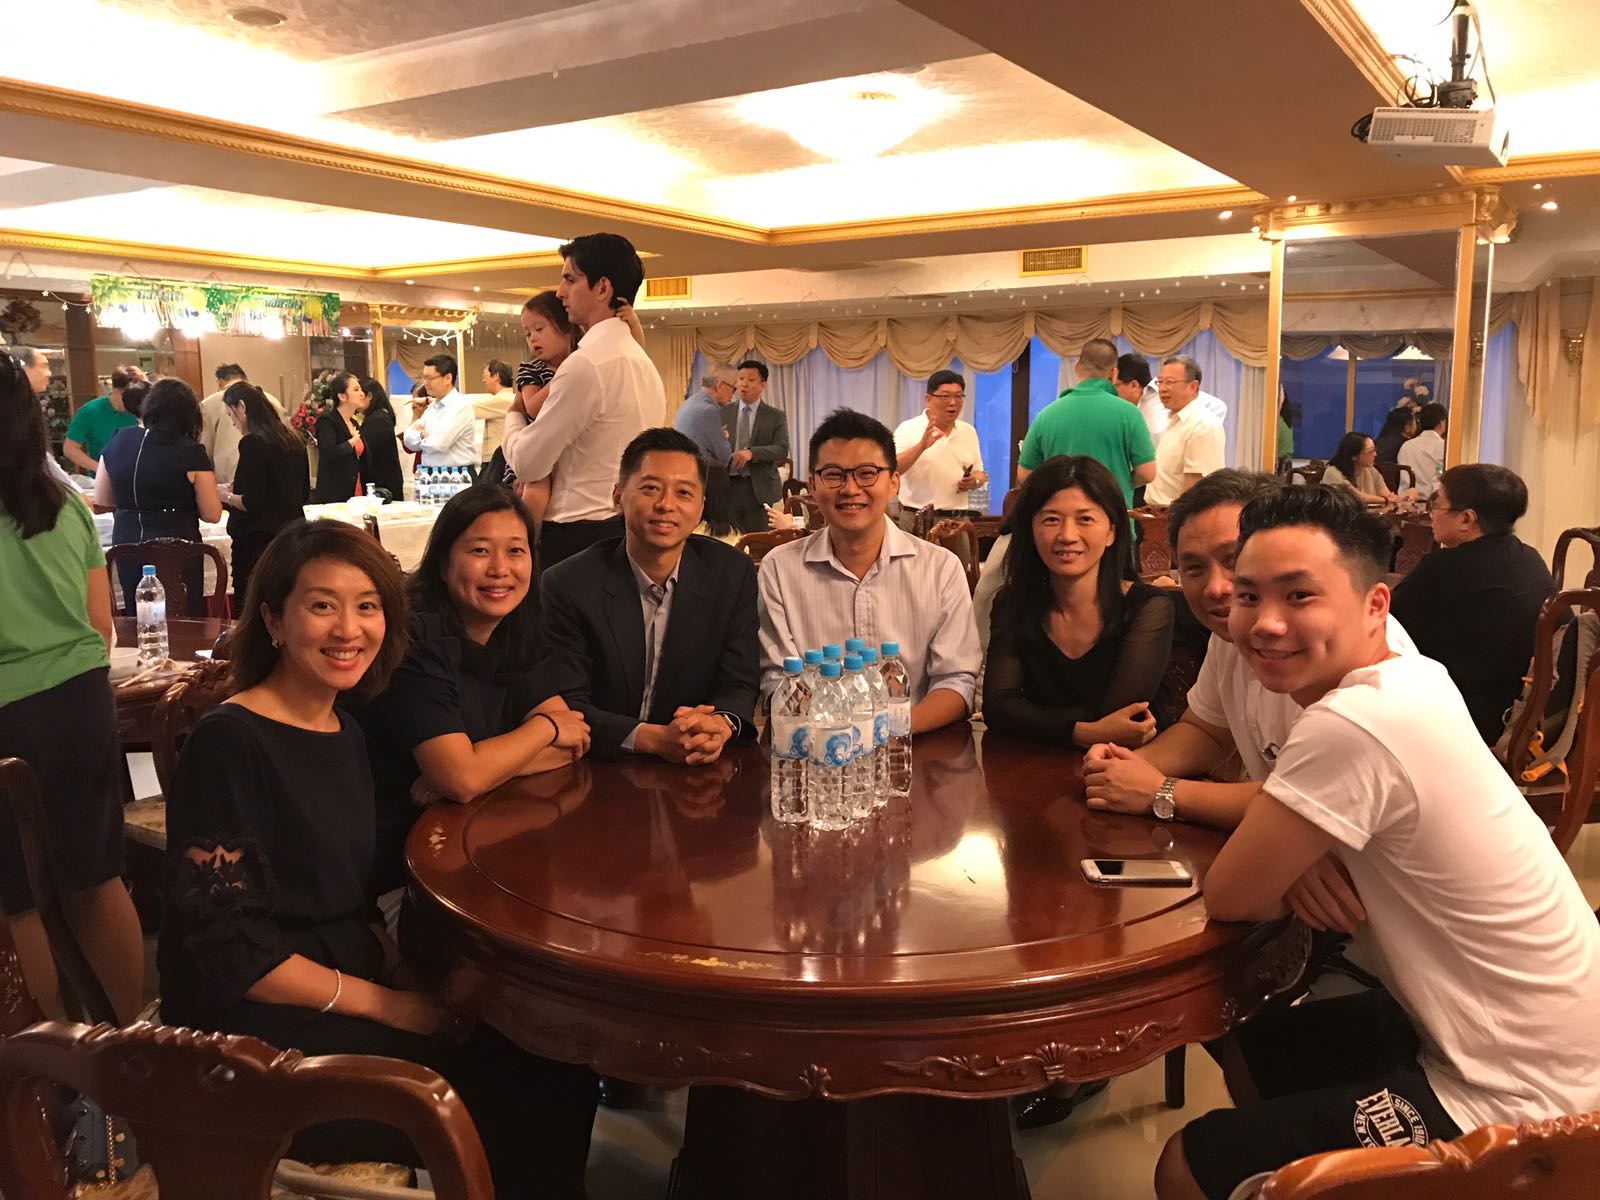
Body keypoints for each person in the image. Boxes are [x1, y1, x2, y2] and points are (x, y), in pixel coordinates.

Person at [1155, 485, 1600, 1200]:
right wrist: (1295, 845)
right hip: (1552, 1033)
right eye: (1249, 596)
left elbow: (1234, 895)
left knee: (1187, 1161)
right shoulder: (1413, 678)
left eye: (1300, 596)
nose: (1265, 623)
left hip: (1527, 1092)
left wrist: (1277, 844)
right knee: (1256, 1043)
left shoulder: (1352, 722)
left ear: (1374, 606)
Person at [156, 519, 598, 1199]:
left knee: (557, 1059)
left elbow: (349, 901)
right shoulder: (230, 742)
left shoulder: (343, 728)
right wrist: (393, 1007)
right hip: (251, 1039)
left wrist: (409, 979)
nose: (348, 629)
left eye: (367, 606)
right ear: (273, 620)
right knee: (507, 1105)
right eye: (321, 605)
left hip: (338, 982)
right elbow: (230, 951)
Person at [1083, 470, 1415, 830]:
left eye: (1234, 559)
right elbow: (1208, 730)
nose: (1216, 587)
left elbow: (1306, 804)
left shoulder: (1356, 658)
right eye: (1194, 567)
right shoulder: (1234, 632)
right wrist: (1122, 768)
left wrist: (1160, 791)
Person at [0, 350, 143, 1024]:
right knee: (94, 876)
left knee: (17, 897)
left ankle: (46, 1056)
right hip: (80, 702)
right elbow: (100, 627)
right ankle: (125, 1041)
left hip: (7, 713)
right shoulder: (64, 507)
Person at [356, 487, 590, 896]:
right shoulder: (414, 641)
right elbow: (464, 777)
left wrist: (479, 772)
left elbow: (574, 743)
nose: (500, 569)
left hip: (470, 841)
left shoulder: (511, 631)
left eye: (515, 551)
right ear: (443, 564)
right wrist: (545, 730)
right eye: (480, 551)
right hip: (392, 869)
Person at [539, 427, 759, 762]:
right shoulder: (569, 584)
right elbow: (565, 701)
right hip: (595, 764)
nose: (666, 505)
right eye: (651, 488)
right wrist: (651, 739)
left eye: (683, 493)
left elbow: (739, 682)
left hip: (694, 766)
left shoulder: (731, 573)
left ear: (701, 507)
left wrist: (719, 724)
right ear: (618, 497)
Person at [757, 408, 980, 733]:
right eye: (834, 474)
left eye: (866, 473)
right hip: (815, 748)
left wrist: (885, 731)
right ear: (813, 485)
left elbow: (956, 680)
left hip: (914, 746)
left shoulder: (941, 569)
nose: (850, 489)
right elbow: (779, 681)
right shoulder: (779, 569)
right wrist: (839, 735)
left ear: (893, 483)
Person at [984, 455, 1171, 748]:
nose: (1067, 535)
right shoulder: (1013, 602)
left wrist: (1031, 718)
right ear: (1031, 531)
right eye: (1051, 519)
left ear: (1111, 532)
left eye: (1085, 519)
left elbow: (1119, 717)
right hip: (1032, 764)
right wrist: (1083, 732)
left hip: (1126, 767)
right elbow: (997, 708)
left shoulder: (1147, 608)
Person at [502, 233, 665, 569]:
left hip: (576, 536)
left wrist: (514, 415)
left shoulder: (586, 364)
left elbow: (528, 462)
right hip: (626, 529)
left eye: (570, 279)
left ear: (602, 288)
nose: (560, 292)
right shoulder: (644, 364)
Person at [1391, 464, 1555, 743]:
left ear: (1466, 519)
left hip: (1467, 723)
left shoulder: (1444, 568)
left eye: (1437, 504)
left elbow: (1385, 625)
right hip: (1530, 719)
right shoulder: (1529, 557)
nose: (1431, 513)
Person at [94, 378, 223, 615]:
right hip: (176, 543)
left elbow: (101, 499)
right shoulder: (190, 450)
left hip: (126, 540)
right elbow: (212, 513)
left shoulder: (118, 440)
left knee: (138, 615)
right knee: (182, 615)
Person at [1017, 338, 1155, 509]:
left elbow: (1024, 475)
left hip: (1061, 514)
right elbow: (1147, 473)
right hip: (1112, 514)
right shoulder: (1130, 414)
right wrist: (1119, 483)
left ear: (1076, 367)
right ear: (1113, 374)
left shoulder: (1046, 415)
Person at [218, 381, 309, 604]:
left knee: (252, 603)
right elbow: (303, 493)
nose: (233, 423)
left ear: (241, 407)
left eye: (230, 415)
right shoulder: (293, 440)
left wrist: (224, 495)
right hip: (292, 535)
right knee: (286, 601)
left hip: (257, 542)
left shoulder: (253, 443)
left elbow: (252, 502)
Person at [892, 368, 987, 520]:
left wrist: (973, 482)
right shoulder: (908, 428)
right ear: (928, 399)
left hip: (959, 519)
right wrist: (921, 446)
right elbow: (893, 468)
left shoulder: (968, 431)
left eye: (958, 396)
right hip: (918, 518)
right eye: (945, 396)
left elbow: (979, 472)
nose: (953, 402)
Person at [1145, 355, 1225, 508]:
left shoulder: (1203, 424)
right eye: (1160, 382)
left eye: (1170, 382)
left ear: (1193, 386)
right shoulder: (1175, 421)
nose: (1162, 389)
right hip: (1155, 514)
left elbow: (1196, 488)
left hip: (1176, 516)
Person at [722, 360, 789, 534]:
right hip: (728, 486)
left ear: (763, 384)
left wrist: (752, 453)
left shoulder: (775, 416)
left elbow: (782, 449)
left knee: (759, 540)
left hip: (759, 489)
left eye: (750, 380)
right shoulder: (722, 412)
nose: (743, 384)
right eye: (740, 379)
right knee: (729, 540)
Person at [672, 365, 738, 539]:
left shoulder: (688, 403)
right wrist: (724, 438)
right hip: (705, 483)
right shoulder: (709, 410)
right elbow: (724, 457)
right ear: (720, 385)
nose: (733, 396)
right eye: (734, 388)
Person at [200, 363, 284, 485]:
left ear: (219, 381)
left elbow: (204, 451)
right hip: (274, 475)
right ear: (245, 378)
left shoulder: (210, 404)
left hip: (230, 478)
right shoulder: (272, 400)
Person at [402, 354, 478, 475]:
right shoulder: (432, 407)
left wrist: (420, 438)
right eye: (424, 378)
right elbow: (408, 439)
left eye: (429, 378)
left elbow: (438, 444)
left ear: (448, 378)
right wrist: (423, 435)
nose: (425, 383)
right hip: (430, 474)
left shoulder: (460, 406)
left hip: (457, 475)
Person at [63, 364, 144, 475]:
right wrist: (100, 469)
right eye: (132, 396)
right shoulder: (90, 411)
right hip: (104, 479)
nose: (135, 400)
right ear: (116, 391)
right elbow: (70, 449)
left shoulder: (142, 410)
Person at [310, 372, 368, 503]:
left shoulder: (354, 423)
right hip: (336, 493)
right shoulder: (327, 421)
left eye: (361, 389)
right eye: (356, 390)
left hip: (357, 489)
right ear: (342, 396)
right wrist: (351, 442)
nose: (362, 393)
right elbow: (329, 452)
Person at [1320, 432, 1403, 507]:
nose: (1375, 454)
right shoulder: (1333, 472)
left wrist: (1401, 498)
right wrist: (1385, 500)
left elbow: (1386, 494)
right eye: (1371, 451)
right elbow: (1356, 497)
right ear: (1354, 456)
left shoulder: (1371, 470)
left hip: (1369, 516)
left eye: (1375, 450)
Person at [357, 377, 406, 499]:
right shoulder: (379, 416)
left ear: (369, 396)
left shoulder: (378, 419)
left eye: (360, 394)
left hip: (382, 484)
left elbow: (368, 450)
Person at [474, 359, 516, 474]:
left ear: (496, 376)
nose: (483, 380)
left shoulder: (504, 400)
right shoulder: (503, 399)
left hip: (500, 462)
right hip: (499, 459)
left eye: (485, 376)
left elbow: (465, 407)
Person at [1398, 402, 1447, 499]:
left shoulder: (1406, 445)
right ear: (1441, 423)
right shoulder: (1444, 447)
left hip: (1405, 500)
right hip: (1432, 501)